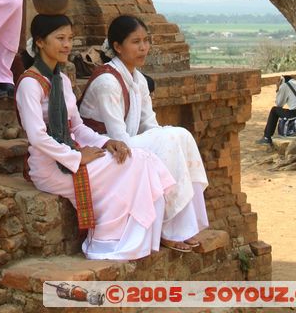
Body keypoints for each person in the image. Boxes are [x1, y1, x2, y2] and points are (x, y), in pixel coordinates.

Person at [15, 14, 176, 260]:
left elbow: (77, 127)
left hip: (73, 152)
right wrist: (76, 157)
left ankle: (133, 237)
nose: (67, 45)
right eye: (60, 38)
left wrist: (106, 142)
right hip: (50, 166)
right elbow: (37, 137)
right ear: (39, 42)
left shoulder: (62, 81)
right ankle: (106, 239)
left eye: (69, 38)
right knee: (131, 168)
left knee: (140, 159)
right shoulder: (30, 84)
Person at [79, 15, 209, 252]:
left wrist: (164, 138)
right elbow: (118, 136)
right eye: (135, 42)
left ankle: (184, 226)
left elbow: (150, 124)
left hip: (126, 142)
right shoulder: (107, 81)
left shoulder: (137, 79)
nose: (143, 47)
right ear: (118, 47)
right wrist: (161, 140)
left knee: (180, 136)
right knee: (168, 139)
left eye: (146, 41)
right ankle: (168, 228)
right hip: (106, 150)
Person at [256, 75, 296, 145]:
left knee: (274, 110)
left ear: (282, 81)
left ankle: (267, 137)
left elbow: (279, 104)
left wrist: (278, 88)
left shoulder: (285, 86)